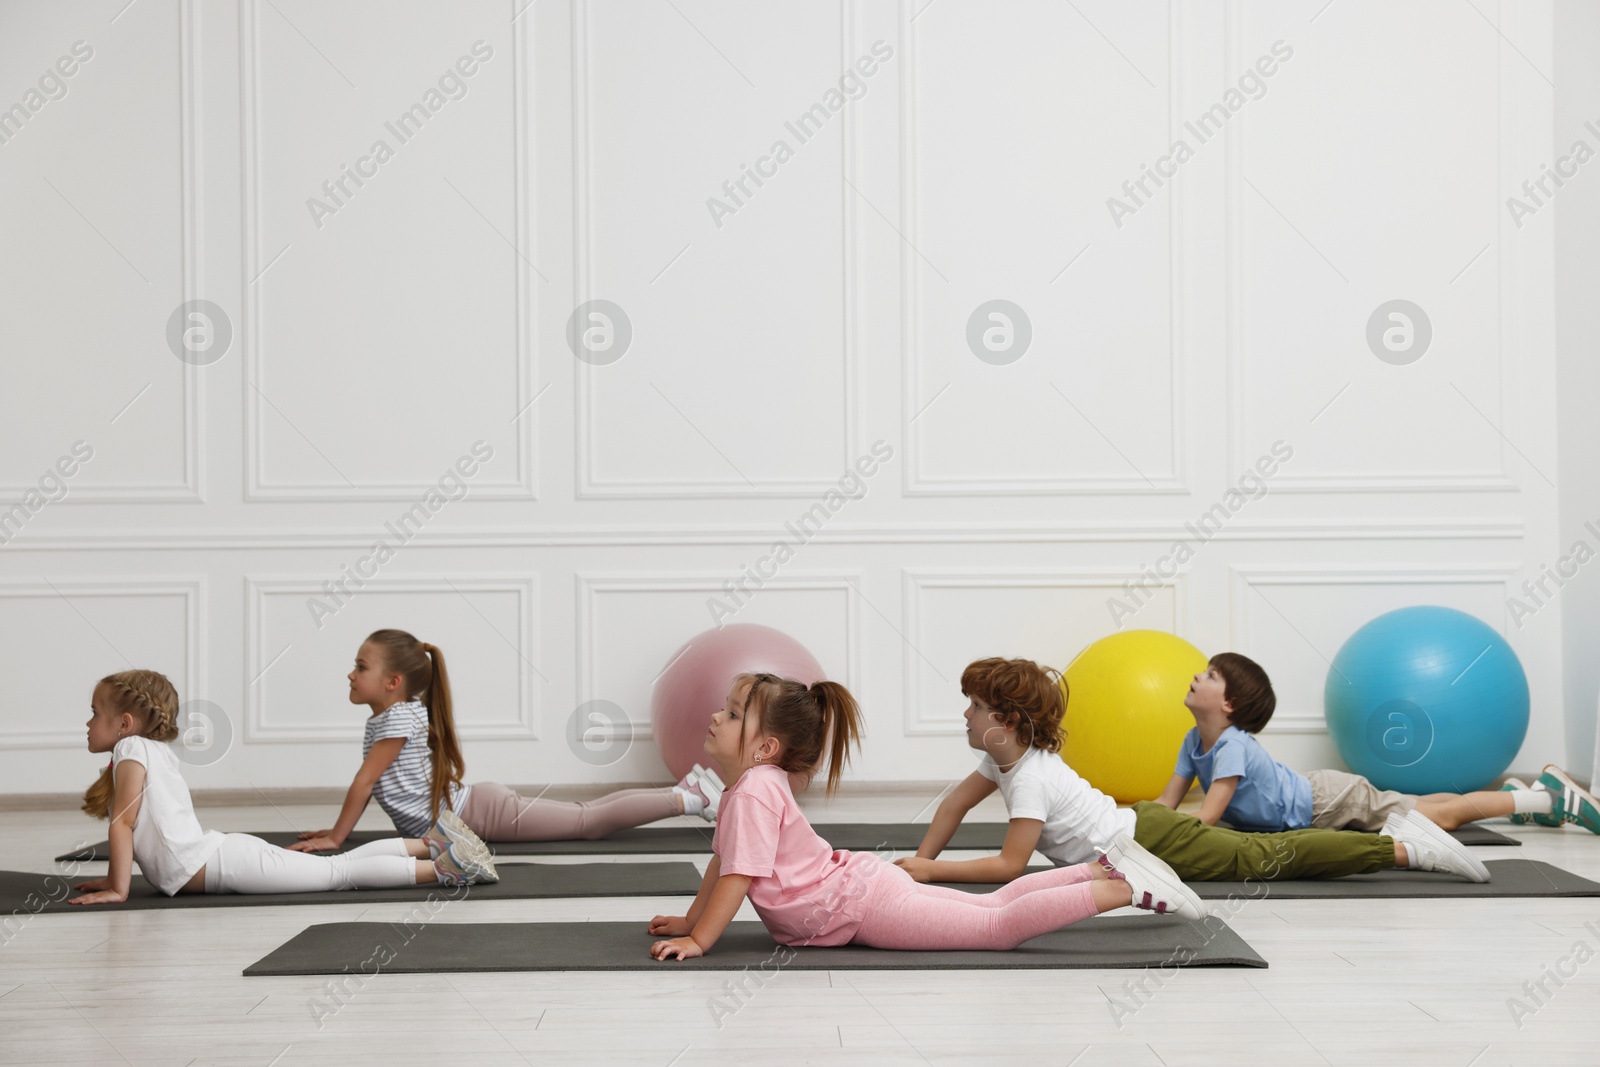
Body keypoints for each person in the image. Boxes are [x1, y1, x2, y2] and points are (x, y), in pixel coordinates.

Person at [647, 672, 1207, 963]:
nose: (716, 717)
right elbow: (725, 862)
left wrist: (701, 943)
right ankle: (1100, 870)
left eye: (733, 712)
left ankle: (1122, 887)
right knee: (992, 910)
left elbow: (739, 877)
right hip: (863, 888)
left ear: (766, 746)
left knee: (995, 928)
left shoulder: (749, 793)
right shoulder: (752, 787)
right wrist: (690, 921)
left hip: (863, 905)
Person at [898, 657, 1489, 888]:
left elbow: (1009, 865)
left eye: (974, 706)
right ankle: (1404, 841)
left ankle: (1405, 851)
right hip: (1143, 831)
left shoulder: (1028, 778)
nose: (965, 715)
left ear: (1004, 722)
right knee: (1265, 851)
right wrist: (921, 862)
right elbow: (952, 807)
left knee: (1271, 858)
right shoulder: (1002, 759)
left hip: (1146, 841)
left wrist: (930, 872)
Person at [70, 669, 495, 905]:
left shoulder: (131, 748)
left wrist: (117, 888)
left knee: (337, 874)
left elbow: (123, 825)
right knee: (335, 868)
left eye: (93, 713)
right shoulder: (149, 749)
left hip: (222, 863)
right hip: (221, 857)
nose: (88, 723)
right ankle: (432, 843)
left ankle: (445, 866)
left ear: (124, 723)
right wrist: (112, 880)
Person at [290, 629, 722, 853]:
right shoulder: (396, 716)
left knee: (587, 822)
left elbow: (364, 783)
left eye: (360, 666)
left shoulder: (396, 719)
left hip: (479, 813)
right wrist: (337, 831)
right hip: (475, 807)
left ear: (392, 682)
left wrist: (336, 838)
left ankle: (690, 799)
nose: (351, 673)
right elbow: (372, 785)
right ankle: (684, 793)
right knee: (585, 816)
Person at [1153, 652, 1599, 835]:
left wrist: (1148, 838)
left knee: (1437, 818)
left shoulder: (1231, 746)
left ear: (1229, 704)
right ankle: (1509, 799)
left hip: (1328, 802)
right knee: (1415, 803)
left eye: (1210, 675)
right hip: (1314, 792)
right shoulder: (1194, 740)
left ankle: (1545, 799)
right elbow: (1167, 803)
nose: (1196, 675)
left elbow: (1205, 820)